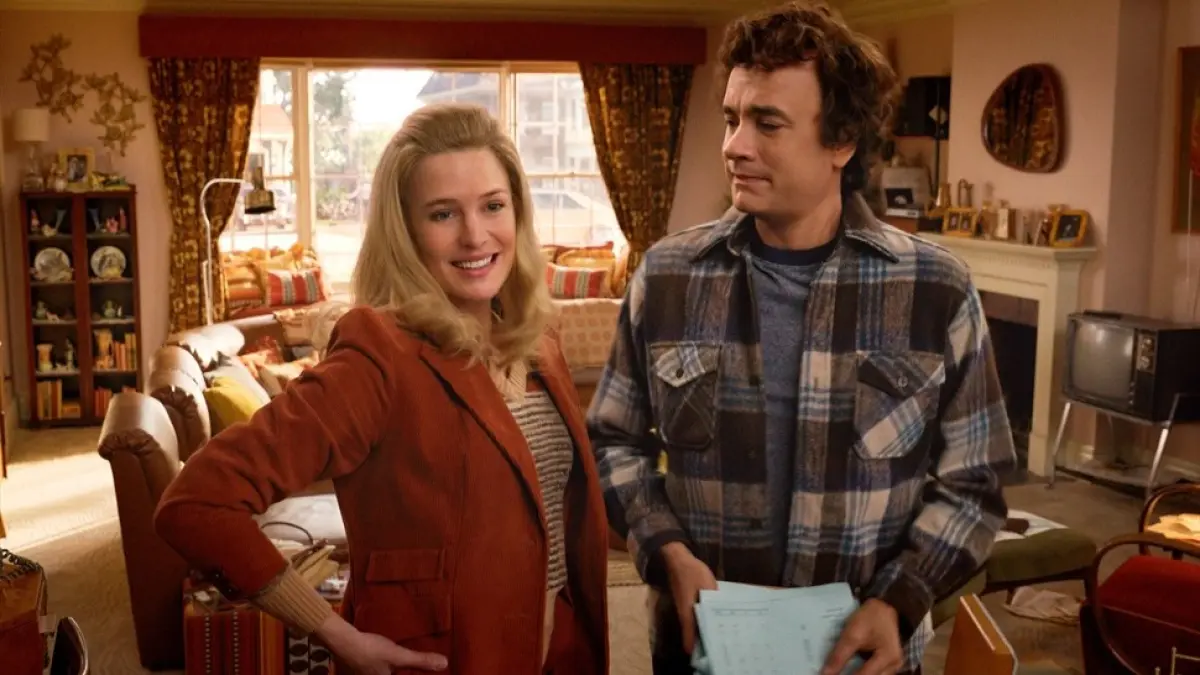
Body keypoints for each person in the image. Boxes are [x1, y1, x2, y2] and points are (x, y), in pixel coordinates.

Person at [587, 3, 1017, 675]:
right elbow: (612, 442)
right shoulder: (667, 276)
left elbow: (976, 480)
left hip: (860, 656)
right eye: (731, 118)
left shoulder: (936, 289)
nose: (735, 145)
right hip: (702, 650)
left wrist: (900, 599)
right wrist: (666, 550)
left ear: (841, 141)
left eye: (767, 122)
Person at [155, 103, 611, 675]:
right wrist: (333, 632)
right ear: (405, 232)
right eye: (443, 214)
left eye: (493, 205)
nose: (475, 235)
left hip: (560, 649)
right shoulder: (379, 355)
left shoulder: (539, 339)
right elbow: (196, 502)